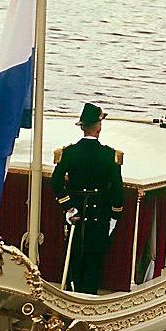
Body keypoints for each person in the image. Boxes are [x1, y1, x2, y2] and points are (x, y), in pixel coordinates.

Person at [51, 103, 124, 295]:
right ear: (99, 127)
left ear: (82, 127)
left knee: (73, 255)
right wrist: (115, 216)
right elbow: (117, 190)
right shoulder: (110, 155)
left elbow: (56, 181)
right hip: (99, 215)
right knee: (94, 259)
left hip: (74, 214)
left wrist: (68, 207)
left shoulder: (68, 153)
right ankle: (88, 298)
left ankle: (71, 292)